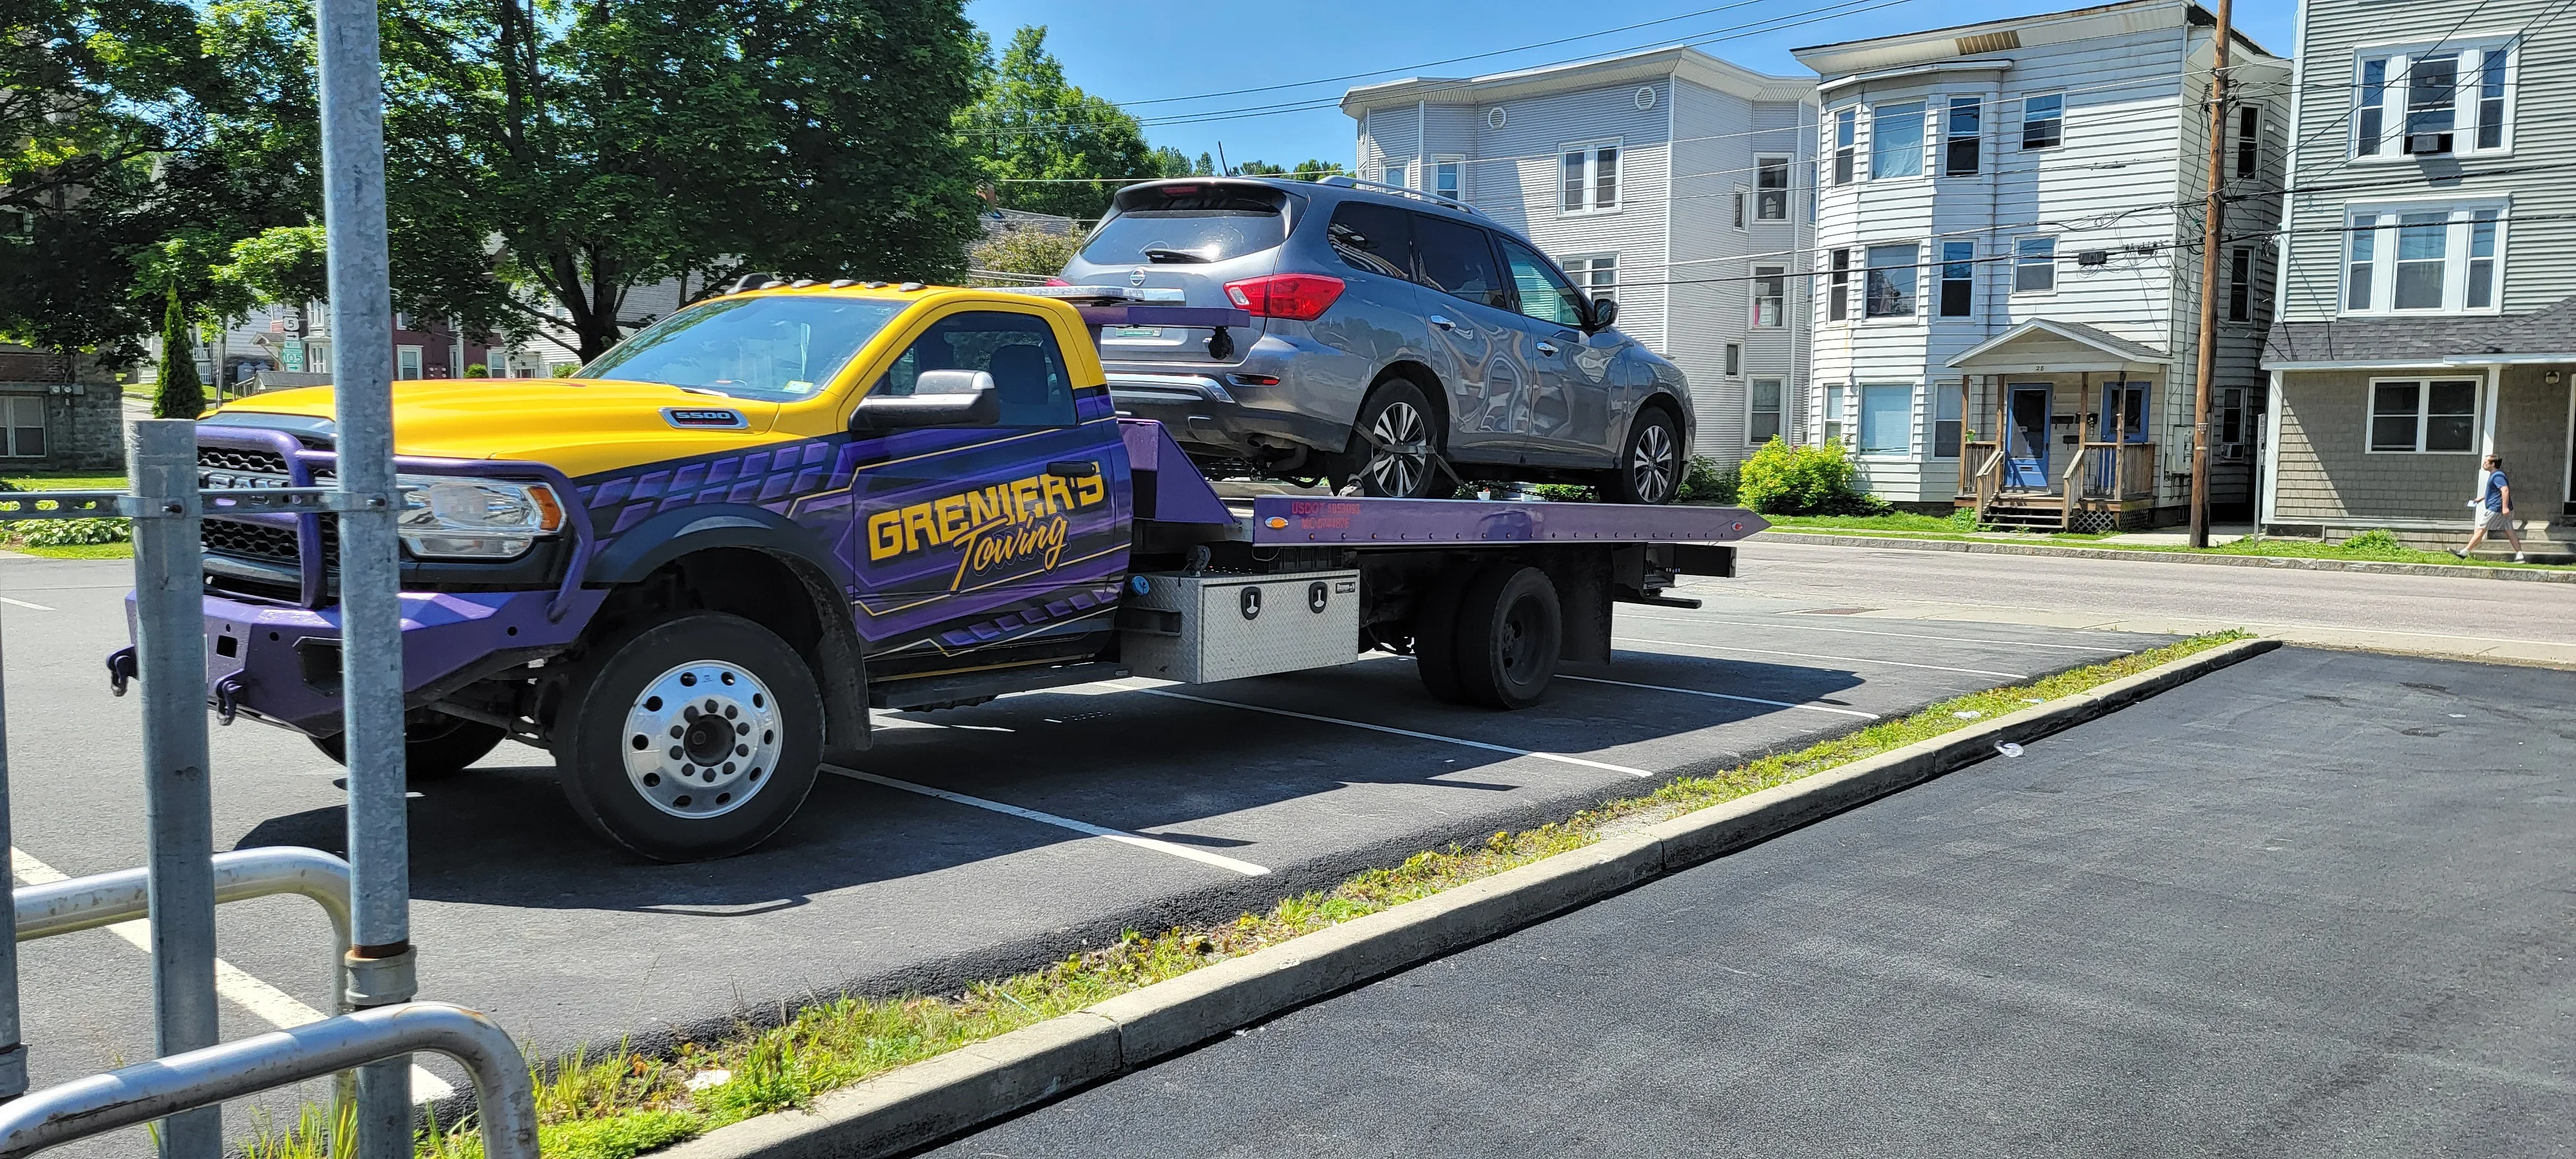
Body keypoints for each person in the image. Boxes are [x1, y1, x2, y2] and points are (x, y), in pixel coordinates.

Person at [2456, 453, 2524, 561]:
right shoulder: (2496, 475)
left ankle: (2465, 552)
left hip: (2496, 509)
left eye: (2486, 463)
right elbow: (2496, 492)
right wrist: (2481, 498)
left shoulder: (2498, 476)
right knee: (2510, 531)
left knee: (2481, 529)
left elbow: (2505, 490)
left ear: (2493, 464)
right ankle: (2520, 555)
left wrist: (2504, 507)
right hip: (2500, 509)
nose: (2484, 464)